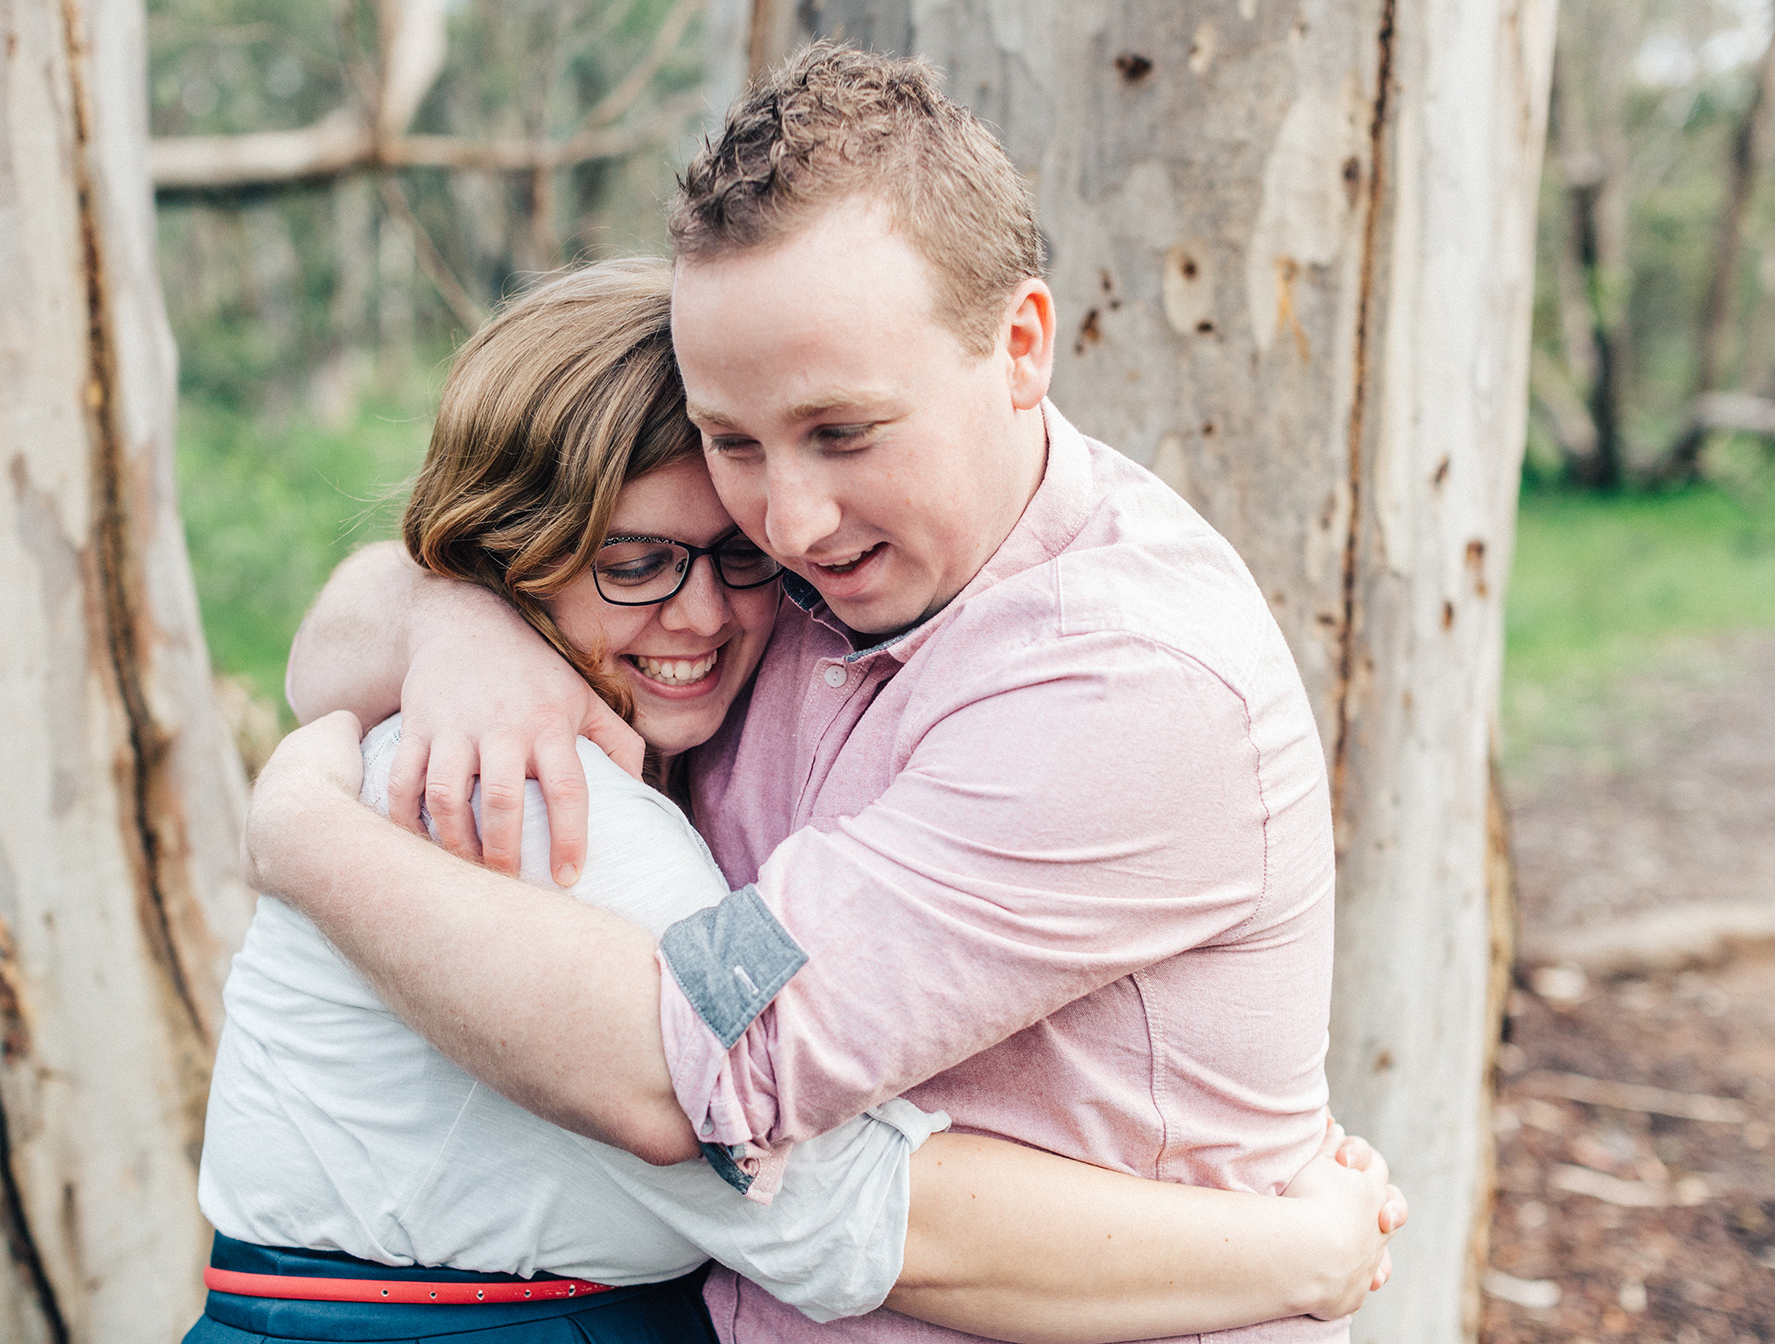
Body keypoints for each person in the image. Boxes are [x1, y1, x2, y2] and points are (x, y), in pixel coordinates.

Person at [252, 45, 1397, 1344]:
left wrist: (302, 839)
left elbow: (703, 1061)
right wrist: (452, 613)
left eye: (841, 432)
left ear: (1023, 345)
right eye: (735, 442)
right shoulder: (789, 581)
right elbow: (365, 621)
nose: (786, 521)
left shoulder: (1121, 691)